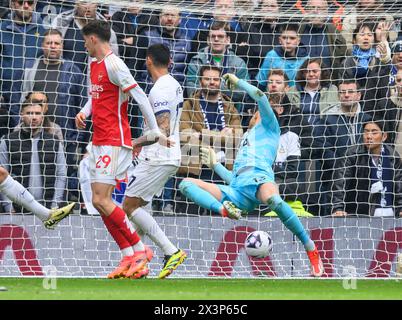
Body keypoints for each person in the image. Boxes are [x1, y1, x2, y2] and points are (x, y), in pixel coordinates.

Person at [179, 73, 324, 277]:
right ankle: (223, 211)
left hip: (261, 179)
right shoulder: (245, 140)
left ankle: (310, 248)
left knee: (274, 200)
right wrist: (215, 165)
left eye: (255, 114)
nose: (253, 116)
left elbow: (260, 96)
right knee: (185, 184)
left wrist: (237, 82)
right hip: (238, 192)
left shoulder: (270, 128)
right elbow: (235, 180)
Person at [75, 20, 170, 279]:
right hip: (100, 139)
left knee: (102, 200)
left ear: (94, 39)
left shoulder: (115, 64)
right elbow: (96, 96)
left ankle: (140, 249)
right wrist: (84, 112)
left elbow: (139, 95)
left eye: (85, 40)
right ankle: (129, 254)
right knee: (98, 201)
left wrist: (154, 130)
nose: (83, 45)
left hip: (115, 140)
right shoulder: (94, 64)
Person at [121, 43, 186, 279]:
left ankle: (172, 251)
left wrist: (136, 142)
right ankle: (137, 264)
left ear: (148, 60)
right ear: (169, 61)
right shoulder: (175, 84)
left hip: (160, 157)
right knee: (138, 211)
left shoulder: (159, 89)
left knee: (129, 206)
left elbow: (163, 129)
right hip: (166, 156)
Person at [0, 101, 74, 229]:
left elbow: (62, 174)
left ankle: (50, 214)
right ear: (21, 115)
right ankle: (48, 215)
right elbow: (3, 174)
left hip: (49, 204)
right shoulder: (7, 141)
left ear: (43, 116)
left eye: (37, 113)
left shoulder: (54, 141)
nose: (34, 117)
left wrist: (55, 206)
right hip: (18, 212)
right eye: (29, 113)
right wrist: (9, 208)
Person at [180, 65, 242, 177]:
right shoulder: (189, 105)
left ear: (220, 82)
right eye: (207, 79)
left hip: (226, 169)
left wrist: (201, 135)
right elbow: (185, 136)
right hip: (197, 168)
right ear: (200, 81)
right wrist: (221, 138)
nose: (212, 82)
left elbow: (236, 138)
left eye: (216, 79)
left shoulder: (230, 107)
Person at [332, 120, 402, 217]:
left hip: (390, 211)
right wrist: (338, 208)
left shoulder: (392, 156)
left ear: (384, 136)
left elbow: (399, 185)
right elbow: (340, 183)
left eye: (374, 132)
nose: (369, 136)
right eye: (366, 132)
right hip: (361, 213)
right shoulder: (352, 154)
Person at [0, 0, 46, 122]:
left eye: (30, 2)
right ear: (11, 4)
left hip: (35, 96)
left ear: (35, 4)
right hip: (6, 96)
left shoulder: (43, 31)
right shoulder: (2, 30)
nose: (25, 6)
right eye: (20, 2)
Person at [186, 21, 250, 106]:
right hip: (201, 111)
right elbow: (191, 90)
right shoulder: (197, 61)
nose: (216, 39)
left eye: (220, 36)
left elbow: (245, 92)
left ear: (228, 40)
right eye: (213, 36)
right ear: (208, 40)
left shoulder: (239, 63)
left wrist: (213, 87)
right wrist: (226, 88)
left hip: (230, 113)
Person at [256, 23, 309, 89]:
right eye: (284, 38)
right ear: (280, 40)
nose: (288, 41)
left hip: (298, 97)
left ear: (298, 41)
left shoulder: (305, 58)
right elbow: (260, 83)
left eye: (292, 38)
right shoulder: (271, 56)